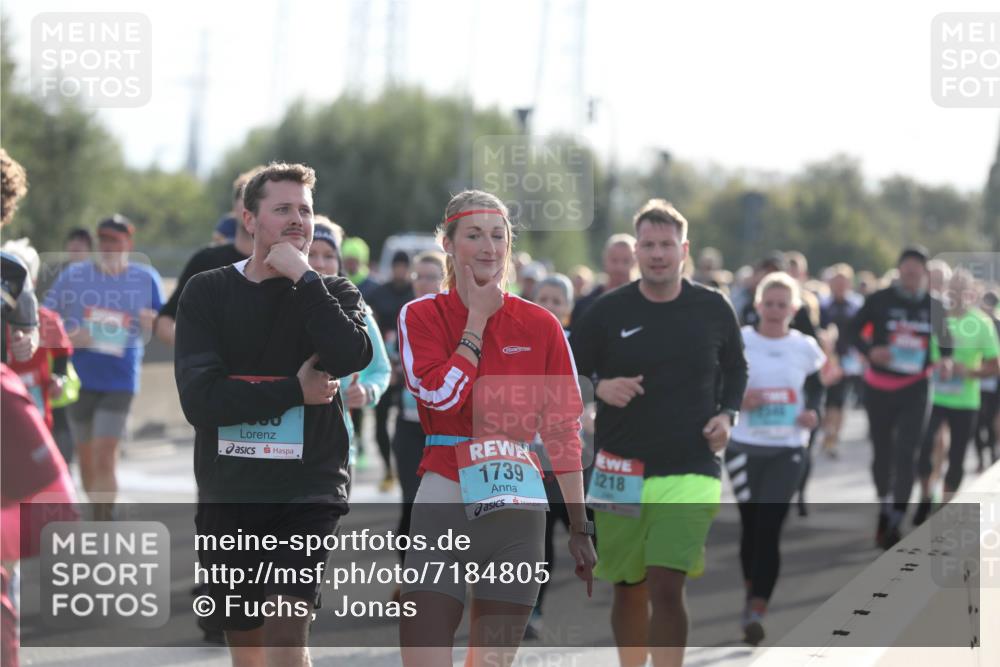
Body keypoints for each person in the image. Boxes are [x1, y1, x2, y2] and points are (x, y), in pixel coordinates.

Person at [174, 162, 372, 666]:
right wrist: (293, 391)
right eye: (282, 209)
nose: (297, 220)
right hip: (231, 490)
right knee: (247, 645)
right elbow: (201, 401)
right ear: (249, 219)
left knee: (287, 630)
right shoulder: (207, 291)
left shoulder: (334, 292)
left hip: (309, 488)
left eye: (304, 210)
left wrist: (305, 277)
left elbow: (350, 355)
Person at [397, 190, 596, 667]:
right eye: (473, 235)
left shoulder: (541, 324)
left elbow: (563, 431)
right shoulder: (420, 314)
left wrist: (579, 525)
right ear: (447, 243)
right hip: (444, 497)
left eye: (498, 235)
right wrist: (477, 323)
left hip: (518, 513)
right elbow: (439, 395)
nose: (488, 247)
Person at [571, 199, 748, 667]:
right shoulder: (607, 311)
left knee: (667, 582)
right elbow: (568, 372)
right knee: (628, 587)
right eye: (648, 245)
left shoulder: (712, 307)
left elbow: (736, 368)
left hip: (691, 466)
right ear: (635, 251)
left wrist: (728, 414)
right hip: (618, 467)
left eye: (666, 245)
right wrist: (599, 387)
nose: (657, 254)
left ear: (683, 249)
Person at [725, 272, 826, 645]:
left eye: (782, 304)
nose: (774, 310)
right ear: (758, 305)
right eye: (769, 303)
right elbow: (721, 384)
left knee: (769, 526)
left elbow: (816, 387)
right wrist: (739, 400)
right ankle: (752, 588)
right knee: (751, 527)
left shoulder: (805, 347)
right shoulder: (741, 340)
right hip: (743, 447)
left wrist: (813, 412)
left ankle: (757, 607)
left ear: (794, 309)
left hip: (788, 448)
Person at [43, 215, 164, 519]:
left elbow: (163, 321)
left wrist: (153, 321)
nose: (108, 247)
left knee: (104, 452)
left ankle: (103, 521)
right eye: (104, 240)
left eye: (115, 241)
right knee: (86, 458)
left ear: (128, 244)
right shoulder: (73, 276)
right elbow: (44, 318)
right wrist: (70, 337)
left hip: (121, 379)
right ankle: (97, 512)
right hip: (79, 378)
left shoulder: (145, 277)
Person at [848, 245, 953, 549]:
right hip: (879, 387)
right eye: (906, 271)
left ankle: (896, 517)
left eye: (916, 272)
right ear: (899, 271)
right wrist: (870, 351)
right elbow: (851, 332)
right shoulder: (879, 299)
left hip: (915, 388)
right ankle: (884, 505)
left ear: (924, 274)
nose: (911, 276)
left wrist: (946, 361)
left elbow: (947, 343)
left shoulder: (935, 306)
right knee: (882, 453)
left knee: (908, 453)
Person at [306, 216, 391, 492]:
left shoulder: (356, 309)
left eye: (329, 256)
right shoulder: (274, 302)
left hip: (337, 450)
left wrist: (367, 391)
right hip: (280, 451)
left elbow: (381, 369)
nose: (320, 263)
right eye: (311, 254)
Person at [913, 270, 999, 523]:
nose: (958, 294)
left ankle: (944, 507)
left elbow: (994, 364)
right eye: (954, 288)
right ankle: (926, 496)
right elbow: (920, 354)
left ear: (972, 292)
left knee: (957, 456)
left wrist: (968, 371)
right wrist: (935, 366)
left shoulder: (981, 322)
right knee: (924, 449)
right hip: (935, 398)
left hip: (966, 401)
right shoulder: (937, 319)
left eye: (963, 289)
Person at [389, 251, 445, 599]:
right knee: (412, 503)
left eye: (431, 276)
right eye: (418, 277)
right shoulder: (404, 319)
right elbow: (387, 367)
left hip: (446, 431)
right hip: (410, 428)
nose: (423, 283)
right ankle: (410, 576)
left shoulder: (457, 320)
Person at [155, 168, 259, 346]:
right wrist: (197, 353)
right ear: (234, 208)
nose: (252, 206)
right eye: (246, 198)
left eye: (259, 200)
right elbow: (165, 321)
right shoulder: (206, 260)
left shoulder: (287, 265)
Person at [367, 250, 415, 491]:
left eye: (404, 266)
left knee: (405, 425)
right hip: (383, 366)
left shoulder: (415, 292)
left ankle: (407, 467)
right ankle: (388, 468)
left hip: (409, 369)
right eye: (397, 266)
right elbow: (369, 322)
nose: (400, 271)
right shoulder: (379, 293)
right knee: (379, 424)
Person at [819, 263, 865, 458]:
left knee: (841, 400)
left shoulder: (856, 305)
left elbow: (862, 332)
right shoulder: (823, 305)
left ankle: (834, 437)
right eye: (836, 282)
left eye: (843, 282)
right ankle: (828, 433)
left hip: (848, 360)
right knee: (828, 400)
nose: (839, 286)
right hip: (827, 359)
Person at [569, 233, 636, 328]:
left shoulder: (645, 303)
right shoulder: (586, 305)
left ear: (636, 262)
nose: (619, 267)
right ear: (605, 260)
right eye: (614, 260)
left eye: (626, 261)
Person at [976, 290, 1000, 470]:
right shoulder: (974, 324)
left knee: (992, 418)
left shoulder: (998, 324)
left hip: (995, 379)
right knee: (977, 422)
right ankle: (980, 459)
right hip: (976, 377)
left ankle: (992, 453)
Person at [341, 236, 379, 302]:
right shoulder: (338, 283)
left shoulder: (374, 286)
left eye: (354, 261)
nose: (350, 264)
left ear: (362, 260)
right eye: (348, 260)